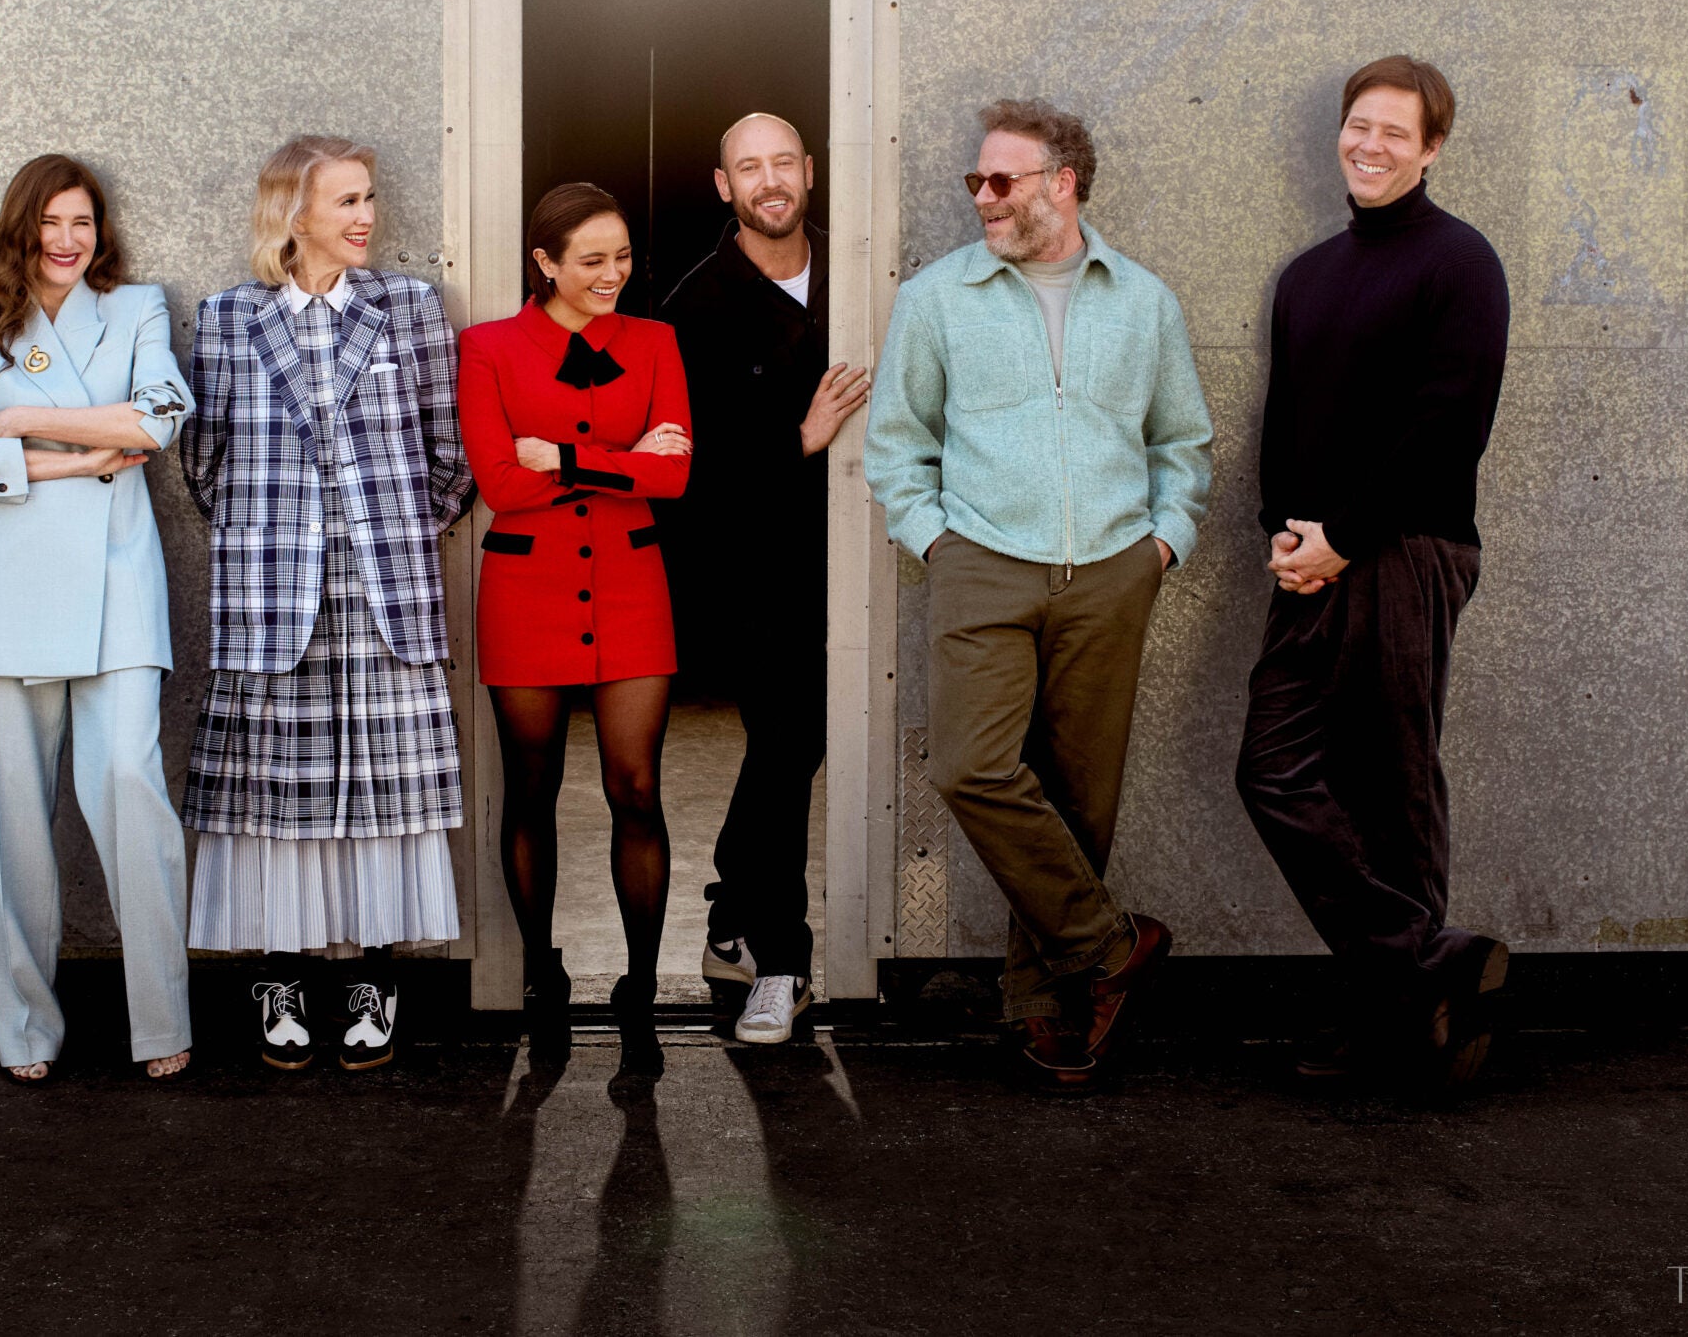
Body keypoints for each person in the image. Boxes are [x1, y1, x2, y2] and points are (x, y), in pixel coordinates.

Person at [864, 98, 1214, 1091]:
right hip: (979, 559)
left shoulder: (1142, 301)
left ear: (1064, 183)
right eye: (973, 181)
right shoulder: (938, 298)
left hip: (1110, 568)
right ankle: (1111, 946)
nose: (982, 197)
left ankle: (1051, 1006)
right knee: (970, 767)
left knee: (1078, 797)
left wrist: (1162, 544)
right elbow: (897, 442)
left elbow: (1182, 442)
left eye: (1000, 180)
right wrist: (936, 542)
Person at [1235, 55, 1512, 1084]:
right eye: (1360, 125)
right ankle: (1426, 968)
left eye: (1397, 132)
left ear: (1431, 149)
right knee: (1272, 770)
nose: (1372, 145)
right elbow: (1284, 426)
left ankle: (1407, 1033)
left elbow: (1448, 429)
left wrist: (1343, 537)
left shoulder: (1460, 262)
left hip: (1406, 548)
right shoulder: (1308, 276)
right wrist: (1282, 535)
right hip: (1313, 559)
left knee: (1391, 785)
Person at [179, 135, 475, 1072]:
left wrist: (390, 530)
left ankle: (372, 980)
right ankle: (280, 978)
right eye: (345, 201)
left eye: (368, 198)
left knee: (383, 794)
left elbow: (452, 451)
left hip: (385, 589)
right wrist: (279, 535)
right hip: (272, 594)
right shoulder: (229, 318)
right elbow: (206, 461)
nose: (365, 217)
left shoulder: (409, 308)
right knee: (277, 795)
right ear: (293, 213)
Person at [0, 153, 196, 1084]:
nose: (68, 239)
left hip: (118, 584)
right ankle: (25, 1033)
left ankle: (162, 1021)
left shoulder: (136, 309)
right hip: (0, 597)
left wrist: (22, 423)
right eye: (51, 222)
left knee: (129, 784)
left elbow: (158, 420)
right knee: (8, 825)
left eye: (83, 222)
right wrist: (82, 459)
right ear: (23, 228)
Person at [459, 183, 693, 1077]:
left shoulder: (657, 342)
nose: (612, 274)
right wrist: (625, 462)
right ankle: (542, 977)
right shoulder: (487, 349)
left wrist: (559, 456)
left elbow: (675, 479)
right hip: (526, 591)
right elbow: (498, 485)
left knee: (638, 789)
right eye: (591, 260)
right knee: (532, 791)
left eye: (622, 257)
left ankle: (641, 990)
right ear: (545, 262)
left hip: (632, 587)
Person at [658, 113, 868, 1045]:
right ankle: (781, 965)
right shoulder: (693, 308)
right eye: (750, 167)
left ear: (810, 171)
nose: (770, 180)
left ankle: (731, 914)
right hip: (754, 569)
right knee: (786, 745)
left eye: (784, 162)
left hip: (860, 554)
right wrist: (797, 439)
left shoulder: (860, 275)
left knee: (795, 747)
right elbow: (685, 469)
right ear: (724, 186)